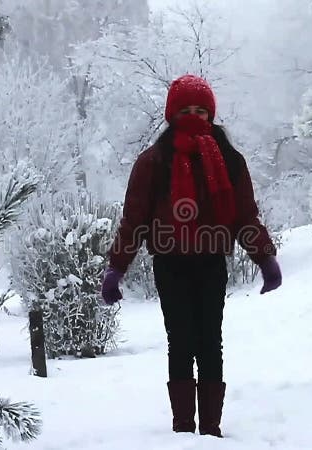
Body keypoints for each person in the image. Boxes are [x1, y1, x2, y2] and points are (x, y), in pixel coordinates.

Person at [101, 74, 282, 438]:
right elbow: (135, 218)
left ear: (212, 114)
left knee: (209, 340)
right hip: (170, 262)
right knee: (180, 340)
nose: (195, 116)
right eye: (186, 110)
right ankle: (183, 429)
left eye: (201, 110)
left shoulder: (230, 159)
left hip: (211, 261)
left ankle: (211, 429)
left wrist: (264, 258)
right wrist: (117, 267)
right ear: (172, 114)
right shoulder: (154, 161)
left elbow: (244, 213)